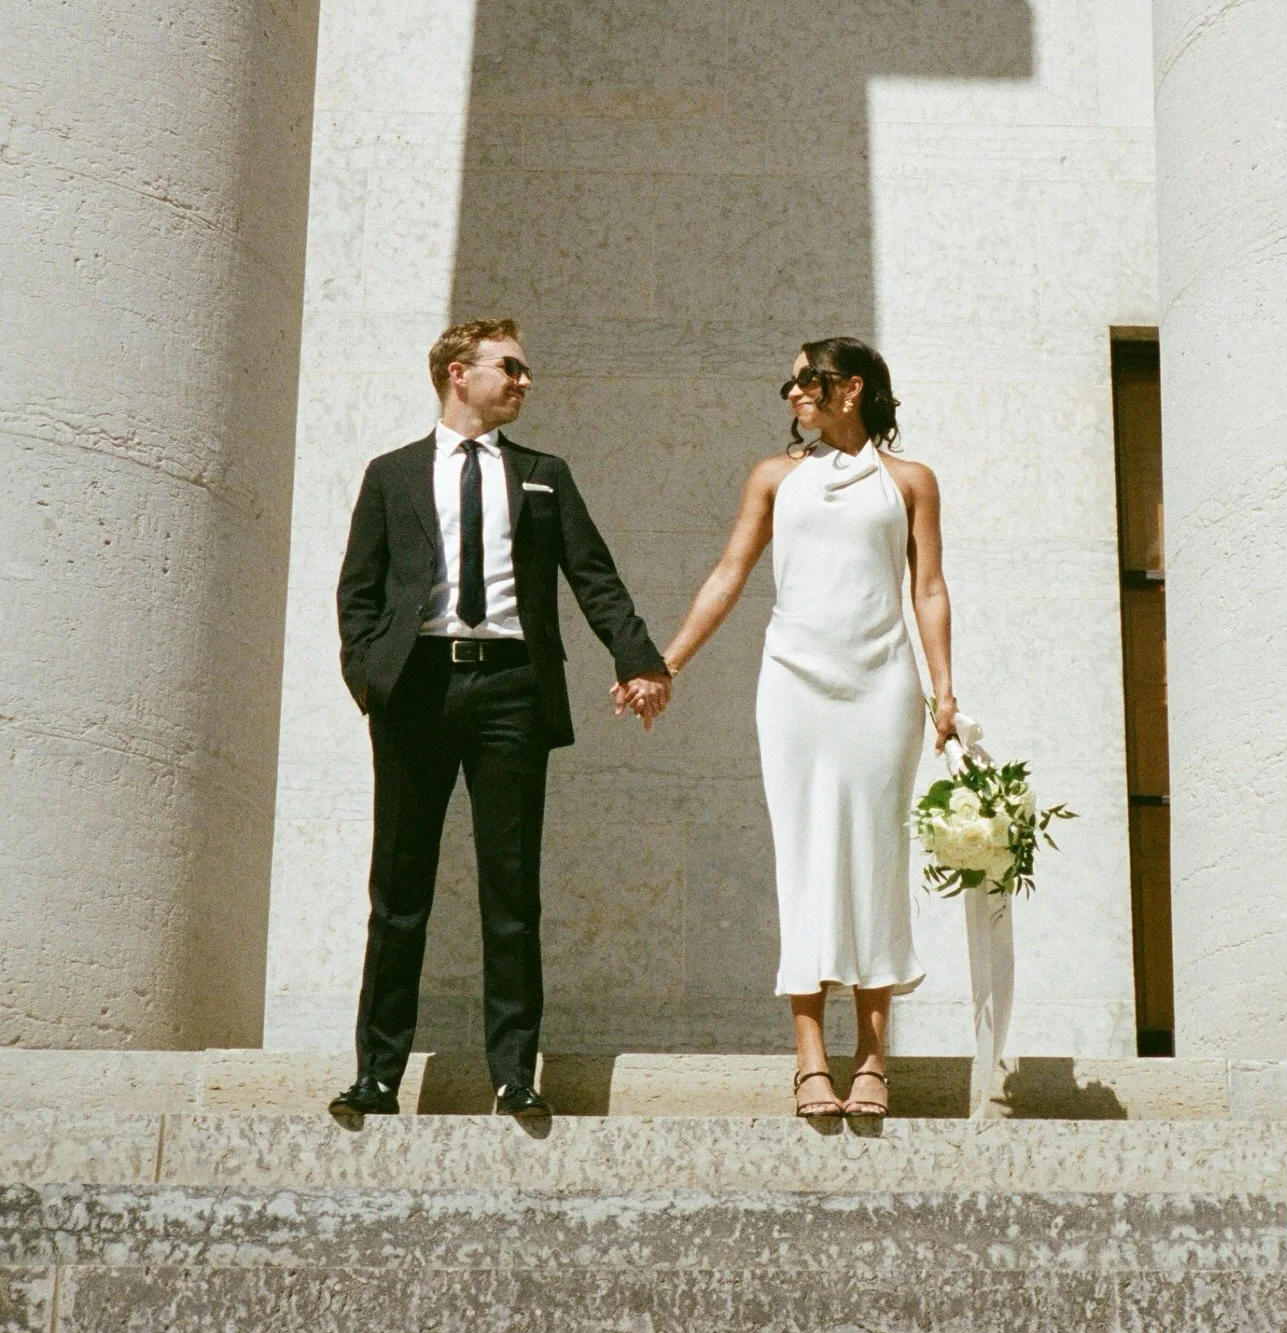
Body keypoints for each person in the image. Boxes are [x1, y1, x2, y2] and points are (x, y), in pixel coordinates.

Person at [329, 319, 671, 1127]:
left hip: (513, 691)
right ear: (459, 373)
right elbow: (360, 591)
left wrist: (639, 659)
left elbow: (596, 577)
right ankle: (377, 1076)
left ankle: (515, 1074)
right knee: (399, 889)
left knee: (511, 892)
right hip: (416, 690)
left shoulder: (544, 475)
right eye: (509, 367)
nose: (524, 382)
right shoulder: (392, 475)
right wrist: (369, 675)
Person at [636, 337, 958, 1118]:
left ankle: (874, 1058)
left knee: (877, 858)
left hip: (882, 688)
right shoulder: (776, 477)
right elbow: (729, 574)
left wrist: (944, 690)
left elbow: (929, 588)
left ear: (848, 389)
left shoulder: (910, 480)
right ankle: (810, 1058)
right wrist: (665, 664)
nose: (791, 395)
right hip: (794, 689)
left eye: (804, 382)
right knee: (805, 861)